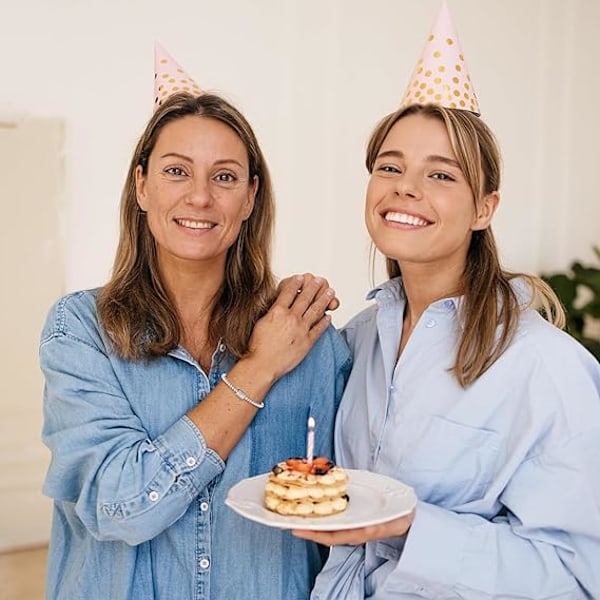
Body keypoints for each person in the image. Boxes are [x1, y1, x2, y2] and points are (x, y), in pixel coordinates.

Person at [293, 6, 600, 597]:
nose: (406, 186)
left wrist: (412, 528)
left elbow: (578, 577)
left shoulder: (546, 368)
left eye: (441, 175)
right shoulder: (357, 340)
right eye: (390, 166)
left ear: (485, 208)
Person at [39, 56, 351, 599]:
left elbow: (346, 521)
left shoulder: (312, 341)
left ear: (251, 197)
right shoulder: (79, 330)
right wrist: (258, 369)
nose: (200, 197)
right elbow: (122, 506)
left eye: (224, 177)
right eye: (176, 170)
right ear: (141, 187)